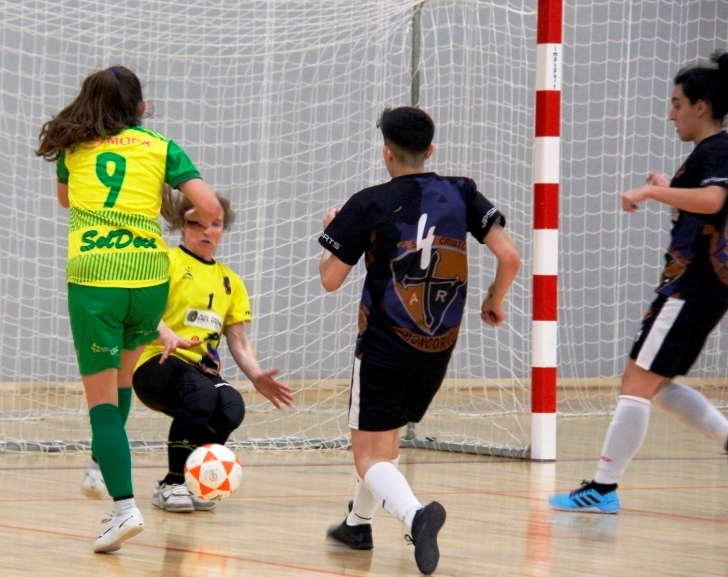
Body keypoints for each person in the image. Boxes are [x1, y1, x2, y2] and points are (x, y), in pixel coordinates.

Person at [317, 106, 521, 575]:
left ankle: (416, 516)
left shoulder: (366, 203)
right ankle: (357, 523)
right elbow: (510, 256)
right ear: (431, 150)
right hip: (438, 347)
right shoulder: (462, 191)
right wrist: (493, 298)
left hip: (385, 346)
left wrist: (334, 231)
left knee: (368, 454)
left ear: (385, 153)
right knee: (385, 444)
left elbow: (330, 279)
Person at [35, 65, 222, 554]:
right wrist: (184, 214)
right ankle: (100, 467)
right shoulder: (160, 146)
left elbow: (65, 200)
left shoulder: (73, 147)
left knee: (100, 405)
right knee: (121, 382)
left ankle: (123, 509)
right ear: (140, 107)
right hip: (150, 280)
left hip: (97, 278)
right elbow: (208, 206)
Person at [549, 52, 728, 514]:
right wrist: (670, 189)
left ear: (701, 106)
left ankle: (603, 489)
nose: (670, 114)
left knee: (635, 383)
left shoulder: (717, 150)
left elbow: (712, 200)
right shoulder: (708, 153)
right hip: (694, 286)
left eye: (676, 103)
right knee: (654, 383)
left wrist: (650, 192)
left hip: (692, 287)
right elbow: (704, 211)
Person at [132, 188, 294, 513]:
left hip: (199, 372)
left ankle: (195, 480)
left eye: (215, 224)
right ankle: (173, 483)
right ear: (182, 225)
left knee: (231, 406)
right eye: (198, 224)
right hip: (155, 363)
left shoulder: (230, 281)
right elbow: (139, 310)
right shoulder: (166, 261)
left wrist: (257, 374)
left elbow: (238, 342)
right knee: (201, 395)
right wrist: (167, 335)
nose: (207, 232)